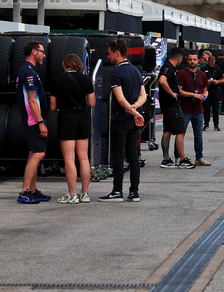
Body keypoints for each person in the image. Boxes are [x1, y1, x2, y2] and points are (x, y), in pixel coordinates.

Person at [99, 39, 146, 202]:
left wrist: (132, 111)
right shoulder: (136, 71)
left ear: (117, 53)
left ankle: (117, 191)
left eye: (110, 53)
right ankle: (134, 192)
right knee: (133, 155)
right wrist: (136, 108)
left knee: (118, 155)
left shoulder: (116, 73)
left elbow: (119, 99)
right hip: (134, 120)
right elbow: (143, 95)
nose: (108, 56)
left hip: (121, 119)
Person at [50, 52, 95, 204]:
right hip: (82, 117)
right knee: (84, 158)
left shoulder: (57, 80)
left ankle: (72, 194)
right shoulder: (86, 79)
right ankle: (85, 193)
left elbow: (52, 106)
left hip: (66, 118)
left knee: (69, 159)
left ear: (64, 65)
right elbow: (92, 103)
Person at [16, 40, 52, 204]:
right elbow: (32, 101)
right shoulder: (28, 72)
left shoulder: (28, 70)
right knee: (39, 153)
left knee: (34, 153)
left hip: (32, 119)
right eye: (42, 51)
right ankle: (25, 191)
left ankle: (32, 189)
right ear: (33, 52)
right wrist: (40, 122)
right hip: (33, 120)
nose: (44, 55)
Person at [157, 47, 191, 169]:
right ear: (179, 58)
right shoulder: (169, 67)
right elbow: (161, 80)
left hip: (166, 105)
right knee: (180, 131)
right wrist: (171, 93)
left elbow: (159, 81)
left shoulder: (166, 67)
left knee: (167, 131)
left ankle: (166, 159)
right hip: (172, 105)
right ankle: (183, 159)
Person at [178, 51, 211, 167]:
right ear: (187, 60)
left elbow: (205, 90)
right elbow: (179, 91)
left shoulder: (202, 75)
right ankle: (178, 157)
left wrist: (204, 96)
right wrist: (193, 95)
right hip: (185, 109)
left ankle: (199, 157)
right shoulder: (182, 74)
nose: (192, 61)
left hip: (198, 110)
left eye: (194, 59)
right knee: (181, 134)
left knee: (198, 135)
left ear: (198, 60)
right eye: (190, 59)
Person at [203, 51, 222, 132]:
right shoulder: (204, 68)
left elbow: (222, 79)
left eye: (213, 63)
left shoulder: (217, 69)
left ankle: (216, 124)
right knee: (206, 108)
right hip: (207, 90)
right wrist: (206, 82)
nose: (211, 65)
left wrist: (217, 81)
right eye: (210, 64)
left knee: (215, 108)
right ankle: (206, 124)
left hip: (215, 90)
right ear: (208, 62)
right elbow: (201, 80)